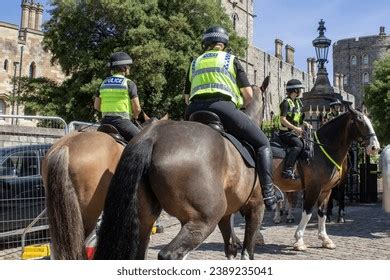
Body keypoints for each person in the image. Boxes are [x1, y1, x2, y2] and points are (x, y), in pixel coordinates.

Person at [183, 26, 283, 211]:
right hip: (222, 108)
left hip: (193, 111)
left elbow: (186, 98)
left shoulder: (194, 63)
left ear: (206, 43)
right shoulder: (230, 60)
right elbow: (248, 95)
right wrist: (238, 103)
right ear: (223, 44)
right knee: (262, 143)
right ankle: (268, 192)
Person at [94, 51, 141, 142]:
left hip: (104, 123)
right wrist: (134, 116)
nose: (129, 68)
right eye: (128, 66)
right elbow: (137, 108)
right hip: (122, 123)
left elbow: (96, 106)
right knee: (143, 141)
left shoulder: (103, 83)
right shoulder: (128, 83)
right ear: (124, 68)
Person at [279, 79, 312, 180]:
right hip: (285, 133)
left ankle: (299, 168)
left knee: (308, 143)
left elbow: (296, 118)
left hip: (294, 131)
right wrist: (295, 128)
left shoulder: (298, 102)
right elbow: (283, 119)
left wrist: (305, 123)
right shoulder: (285, 103)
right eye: (300, 89)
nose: (301, 91)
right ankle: (287, 170)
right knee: (299, 144)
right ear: (295, 90)